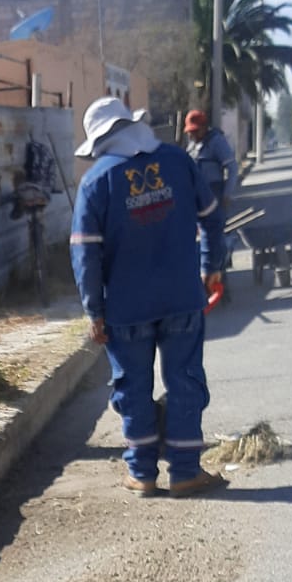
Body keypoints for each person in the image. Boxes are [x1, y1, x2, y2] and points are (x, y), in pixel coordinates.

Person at [69, 97, 228, 499]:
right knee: (185, 380)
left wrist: (94, 309)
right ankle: (186, 472)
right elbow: (211, 214)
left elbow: (85, 253)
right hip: (182, 299)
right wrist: (212, 264)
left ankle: (141, 473)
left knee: (132, 388)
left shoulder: (95, 182)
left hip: (126, 308)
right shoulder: (178, 161)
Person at [183, 108, 239, 287]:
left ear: (204, 127)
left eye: (195, 130)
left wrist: (227, 195)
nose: (192, 135)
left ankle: (219, 280)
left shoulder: (216, 142)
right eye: (190, 132)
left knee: (216, 240)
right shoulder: (191, 147)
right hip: (196, 200)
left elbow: (232, 168)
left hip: (215, 197)